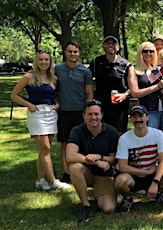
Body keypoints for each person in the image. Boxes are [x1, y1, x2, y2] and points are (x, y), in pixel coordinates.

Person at [10, 50, 71, 190]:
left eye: (47, 60)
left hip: (50, 113)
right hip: (36, 113)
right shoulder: (29, 77)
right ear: (36, 61)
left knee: (43, 151)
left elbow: (54, 96)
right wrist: (28, 105)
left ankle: (40, 180)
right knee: (46, 148)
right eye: (41, 59)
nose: (44, 62)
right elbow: (14, 95)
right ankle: (54, 181)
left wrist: (57, 104)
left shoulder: (53, 78)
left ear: (50, 62)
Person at [115, 105, 163, 213]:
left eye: (141, 116)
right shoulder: (124, 138)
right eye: (134, 117)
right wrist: (145, 171)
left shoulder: (158, 134)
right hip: (133, 175)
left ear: (147, 117)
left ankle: (158, 192)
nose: (138, 119)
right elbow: (122, 166)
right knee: (120, 181)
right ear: (131, 119)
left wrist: (155, 182)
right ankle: (127, 198)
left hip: (152, 174)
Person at [66, 100, 118, 222]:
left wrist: (101, 157)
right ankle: (86, 205)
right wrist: (95, 162)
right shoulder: (77, 131)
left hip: (104, 176)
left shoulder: (111, 131)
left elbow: (114, 160)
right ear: (83, 116)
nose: (93, 117)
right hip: (86, 172)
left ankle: (99, 196)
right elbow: (70, 155)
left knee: (109, 208)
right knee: (75, 167)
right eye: (89, 114)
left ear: (101, 115)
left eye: (96, 114)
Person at [128, 42, 163, 168]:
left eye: (151, 51)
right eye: (145, 51)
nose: (149, 54)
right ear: (140, 52)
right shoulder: (135, 69)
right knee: (151, 143)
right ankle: (149, 172)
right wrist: (156, 87)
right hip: (149, 112)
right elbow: (136, 93)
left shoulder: (155, 69)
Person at [56, 41, 94, 183]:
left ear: (79, 53)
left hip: (80, 112)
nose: (73, 54)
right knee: (65, 143)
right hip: (64, 111)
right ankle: (66, 172)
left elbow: (89, 93)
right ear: (65, 52)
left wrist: (88, 112)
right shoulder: (57, 69)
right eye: (70, 51)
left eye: (75, 51)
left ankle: (82, 170)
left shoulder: (85, 71)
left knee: (82, 142)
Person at [90, 35, 131, 136]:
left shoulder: (125, 64)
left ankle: (118, 152)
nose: (110, 45)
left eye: (113, 43)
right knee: (101, 134)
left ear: (118, 47)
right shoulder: (96, 62)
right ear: (103, 46)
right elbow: (87, 80)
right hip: (101, 106)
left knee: (119, 135)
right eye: (107, 43)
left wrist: (124, 95)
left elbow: (132, 86)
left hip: (120, 107)